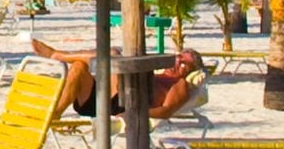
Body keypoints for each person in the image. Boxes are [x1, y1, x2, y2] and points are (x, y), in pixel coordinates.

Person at [31, 38, 204, 119]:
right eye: (178, 57)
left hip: (123, 103)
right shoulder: (158, 70)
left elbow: (167, 111)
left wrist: (132, 114)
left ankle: (58, 55)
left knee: (114, 54)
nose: (177, 62)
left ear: (189, 72)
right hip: (98, 101)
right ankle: (56, 113)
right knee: (78, 67)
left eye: (184, 64)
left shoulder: (179, 85)